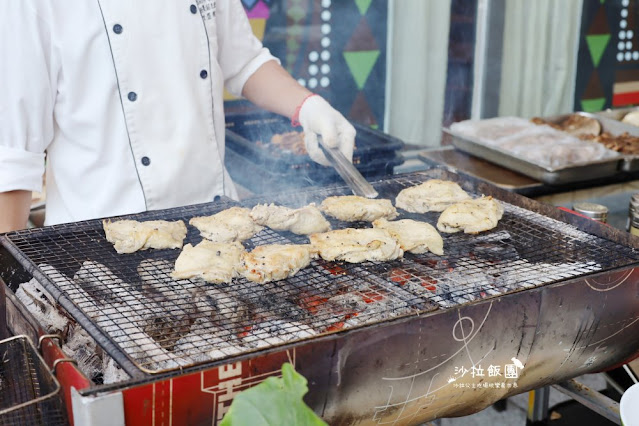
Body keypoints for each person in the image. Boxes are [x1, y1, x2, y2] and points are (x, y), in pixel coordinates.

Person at [0, 1, 355, 233]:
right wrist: (10, 292)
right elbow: (12, 156)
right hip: (99, 243)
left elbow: (243, 61)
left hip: (217, 226)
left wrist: (307, 105)